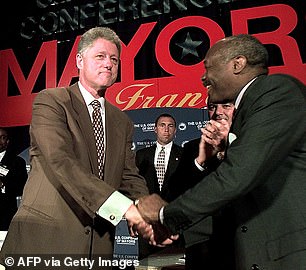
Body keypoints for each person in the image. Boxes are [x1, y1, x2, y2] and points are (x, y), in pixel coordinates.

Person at [137, 34, 306, 270]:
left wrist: (166, 215)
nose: (203, 76)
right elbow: (235, 204)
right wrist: (179, 231)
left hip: (288, 256)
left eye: (208, 66)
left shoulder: (275, 91)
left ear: (237, 64)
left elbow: (239, 175)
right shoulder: (248, 113)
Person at [0, 27, 151, 269]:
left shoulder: (121, 121)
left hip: (98, 247)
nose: (109, 64)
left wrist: (146, 209)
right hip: (46, 242)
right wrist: (125, 208)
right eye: (100, 56)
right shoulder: (51, 101)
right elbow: (61, 161)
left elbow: (128, 175)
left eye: (114, 59)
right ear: (79, 60)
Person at [165, 101, 236, 270]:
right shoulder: (193, 147)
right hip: (201, 245)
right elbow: (174, 192)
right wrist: (200, 162)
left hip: (242, 239)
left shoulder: (252, 144)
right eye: (212, 107)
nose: (218, 112)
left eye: (226, 106)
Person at [135, 113, 183, 259]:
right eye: (162, 125)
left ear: (175, 130)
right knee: (146, 263)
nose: (166, 129)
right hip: (147, 222)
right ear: (155, 129)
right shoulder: (141, 155)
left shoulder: (184, 154)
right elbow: (134, 184)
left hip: (173, 221)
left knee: (173, 263)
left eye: (170, 126)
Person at [0, 128, 28, 231]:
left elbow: (21, 187)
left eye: (3, 138)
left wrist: (3, 185)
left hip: (5, 215)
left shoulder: (17, 162)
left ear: (7, 141)